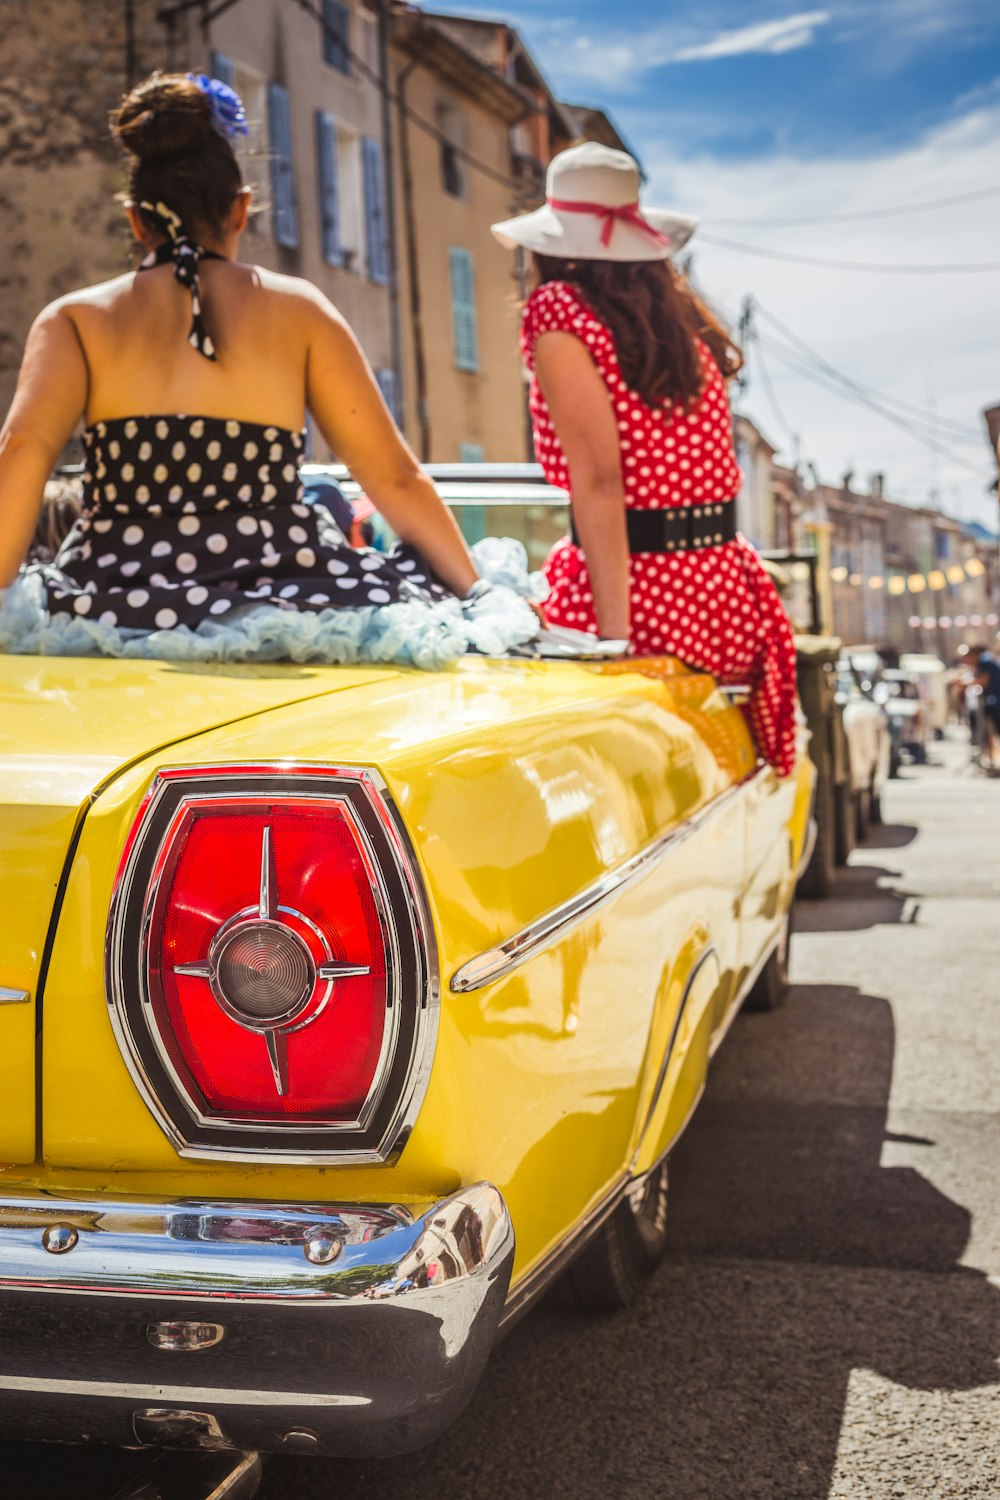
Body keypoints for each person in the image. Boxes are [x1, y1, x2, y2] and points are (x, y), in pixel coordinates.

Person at [0, 72, 535, 665]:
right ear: (241, 210)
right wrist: (476, 593)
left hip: (111, 597)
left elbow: (22, 451)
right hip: (289, 591)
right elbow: (394, 478)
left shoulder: (73, 319)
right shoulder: (299, 309)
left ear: (135, 220)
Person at [491, 141, 798, 777]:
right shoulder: (679, 315)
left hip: (637, 594)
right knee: (710, 792)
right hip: (723, 591)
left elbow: (600, 483)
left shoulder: (559, 311)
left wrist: (612, 642)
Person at [968, 644, 1000, 768]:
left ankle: (992, 760)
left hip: (995, 703)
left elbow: (983, 682)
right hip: (992, 702)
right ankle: (991, 760)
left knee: (991, 733)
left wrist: (966, 682)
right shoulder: (985, 662)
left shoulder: (985, 663)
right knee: (989, 734)